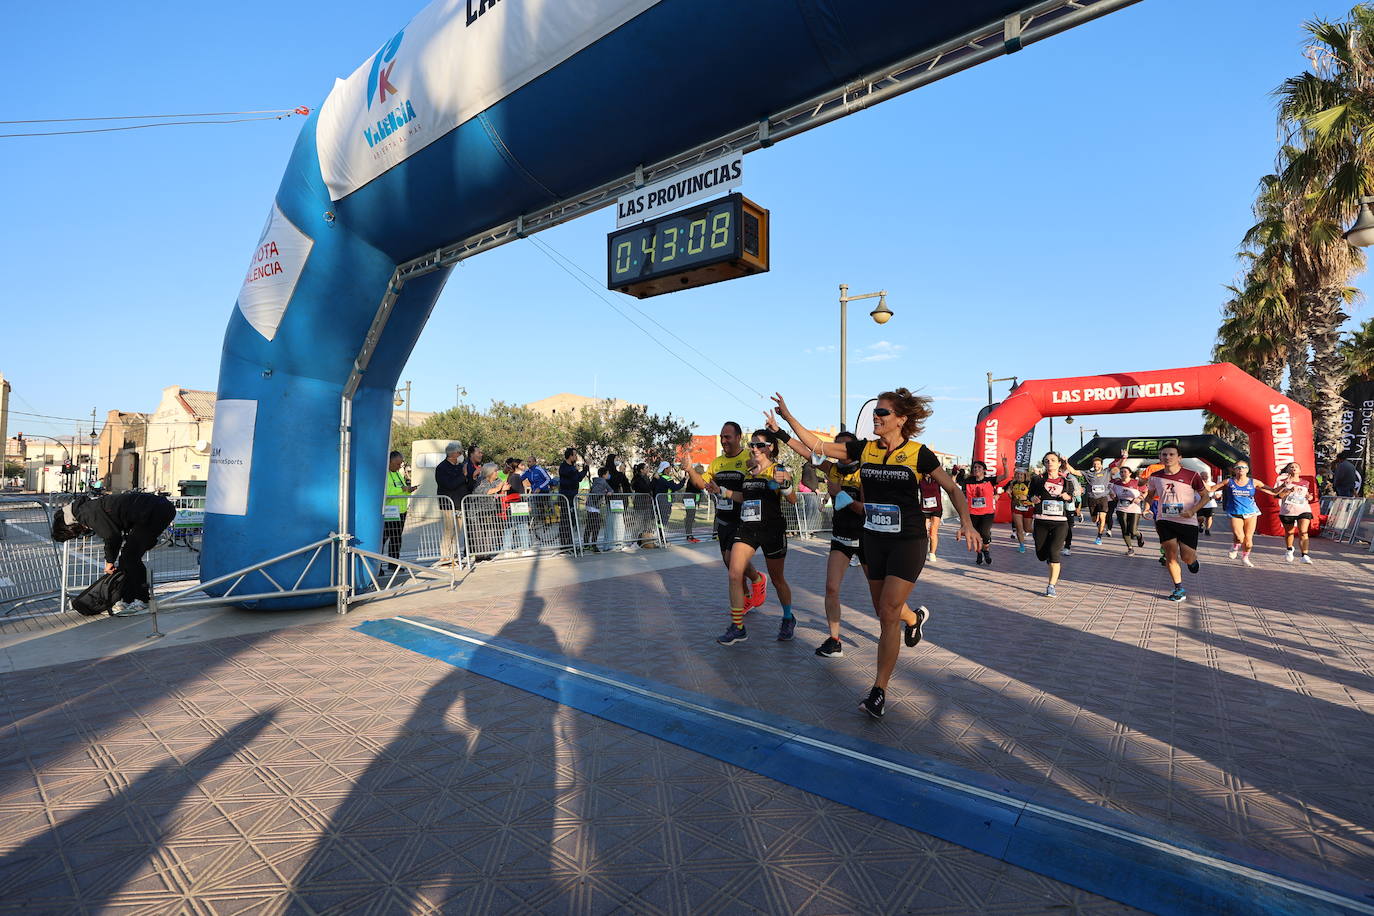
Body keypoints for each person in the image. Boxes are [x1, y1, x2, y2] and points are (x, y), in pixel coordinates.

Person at [773, 389, 981, 720]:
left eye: (883, 413)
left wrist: (968, 524)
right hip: (874, 539)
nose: (877, 417)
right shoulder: (865, 450)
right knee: (885, 609)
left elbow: (953, 488)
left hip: (908, 541)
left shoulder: (918, 454)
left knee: (886, 612)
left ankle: (879, 690)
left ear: (901, 419)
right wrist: (788, 417)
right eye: (875, 412)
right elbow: (817, 446)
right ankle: (914, 619)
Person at [769, 423, 925, 658]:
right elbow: (804, 451)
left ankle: (913, 619)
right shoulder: (831, 470)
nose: (837, 452)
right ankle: (834, 640)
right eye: (835, 447)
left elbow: (869, 511)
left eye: (843, 448)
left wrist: (842, 496)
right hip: (841, 537)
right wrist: (779, 432)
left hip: (868, 539)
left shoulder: (866, 472)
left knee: (882, 603)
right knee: (831, 588)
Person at [707, 429, 798, 645]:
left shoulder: (778, 470)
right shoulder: (750, 471)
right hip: (747, 528)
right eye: (752, 445)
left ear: (771, 448)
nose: (755, 448)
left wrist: (784, 485)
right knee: (734, 572)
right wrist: (723, 491)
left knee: (777, 579)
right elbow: (743, 496)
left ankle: (788, 617)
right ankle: (737, 627)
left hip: (772, 530)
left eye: (760, 445)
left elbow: (793, 499)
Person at [684, 422, 767, 616]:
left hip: (743, 519)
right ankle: (747, 595)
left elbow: (757, 484)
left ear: (738, 437)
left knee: (734, 563)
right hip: (722, 519)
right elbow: (702, 484)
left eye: (727, 437)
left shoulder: (748, 458)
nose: (723, 441)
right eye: (721, 437)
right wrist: (690, 470)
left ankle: (756, 580)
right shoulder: (717, 462)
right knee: (729, 563)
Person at [52, 491, 176, 615]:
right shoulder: (85, 509)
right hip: (154, 510)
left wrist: (109, 561)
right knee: (126, 559)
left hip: (155, 511)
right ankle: (128, 598)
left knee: (129, 558)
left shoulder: (87, 514)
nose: (79, 535)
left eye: (73, 535)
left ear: (68, 527)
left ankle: (142, 599)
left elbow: (112, 537)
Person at [1145, 445, 1206, 601]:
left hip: (1187, 521)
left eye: (1171, 454)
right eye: (1164, 454)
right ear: (1160, 457)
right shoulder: (1155, 476)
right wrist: (1146, 508)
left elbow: (1205, 497)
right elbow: (1150, 495)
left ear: (1179, 457)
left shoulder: (1192, 475)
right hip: (1164, 520)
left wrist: (1192, 511)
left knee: (1186, 557)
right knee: (1170, 555)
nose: (1167, 457)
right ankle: (1178, 589)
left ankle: (1192, 561)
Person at [1205, 461, 1271, 567]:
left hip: (1251, 512)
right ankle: (1235, 546)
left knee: (1248, 540)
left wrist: (1285, 488)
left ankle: (1245, 557)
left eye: (1243, 467)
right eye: (1238, 467)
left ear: (1247, 470)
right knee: (1240, 537)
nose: (1241, 469)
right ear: (1234, 470)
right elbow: (1210, 489)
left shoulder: (1254, 482)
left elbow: (1273, 491)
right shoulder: (1229, 482)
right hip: (1235, 512)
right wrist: (1196, 478)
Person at [1029, 451, 1074, 597]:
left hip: (1060, 523)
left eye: (1053, 460)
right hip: (1041, 521)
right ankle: (1048, 557)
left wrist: (1068, 497)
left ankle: (1051, 586)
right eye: (1047, 460)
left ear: (1059, 463)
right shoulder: (1037, 480)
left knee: (1054, 553)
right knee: (1041, 555)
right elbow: (1030, 495)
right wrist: (1033, 499)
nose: (1050, 463)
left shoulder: (1066, 481)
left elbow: (1071, 498)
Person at [434, 442, 470, 564]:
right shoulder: (442, 468)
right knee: (449, 530)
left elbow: (465, 484)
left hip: (460, 503)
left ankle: (453, 555)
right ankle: (444, 556)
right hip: (448, 504)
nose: (461, 455)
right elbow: (449, 484)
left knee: (457, 531)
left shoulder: (460, 466)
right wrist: (463, 475)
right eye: (459, 453)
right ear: (452, 454)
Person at [383, 451, 417, 575]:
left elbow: (402, 489)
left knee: (396, 539)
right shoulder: (385, 474)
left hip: (401, 511)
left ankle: (394, 564)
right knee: (383, 539)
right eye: (397, 463)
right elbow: (388, 491)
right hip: (389, 513)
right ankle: (378, 565)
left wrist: (409, 489)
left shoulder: (398, 474)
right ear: (390, 461)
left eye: (400, 463)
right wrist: (403, 489)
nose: (399, 466)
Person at [1275, 461, 1316, 564]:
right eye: (1291, 467)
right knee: (1289, 532)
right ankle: (1289, 549)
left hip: (1303, 509)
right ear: (1287, 470)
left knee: (1303, 532)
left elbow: (1309, 496)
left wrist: (1309, 497)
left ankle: (1305, 555)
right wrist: (1288, 490)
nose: (1294, 468)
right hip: (1288, 511)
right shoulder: (1283, 482)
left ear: (1300, 470)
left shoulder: (1305, 482)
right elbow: (1277, 496)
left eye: (1296, 467)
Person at [961, 460, 998, 565]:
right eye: (974, 467)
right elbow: (954, 484)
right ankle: (979, 553)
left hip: (987, 513)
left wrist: (1005, 465)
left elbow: (1005, 477)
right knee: (975, 535)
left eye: (979, 467)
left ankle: (986, 550)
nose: (976, 469)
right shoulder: (968, 481)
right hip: (972, 513)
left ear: (984, 470)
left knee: (985, 533)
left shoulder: (989, 480)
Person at [1080, 455, 1119, 545]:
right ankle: (1097, 521)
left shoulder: (1106, 472)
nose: (1096, 465)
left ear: (1101, 465)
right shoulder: (1089, 473)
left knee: (1103, 518)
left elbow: (1117, 467)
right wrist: (1066, 463)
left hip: (1103, 498)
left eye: (1098, 464)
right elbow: (1074, 471)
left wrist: (1124, 458)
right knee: (1094, 519)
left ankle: (1099, 537)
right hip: (1092, 499)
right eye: (1094, 464)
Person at [1110, 466, 1145, 556]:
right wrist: (1113, 496)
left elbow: (1145, 491)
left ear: (1130, 473)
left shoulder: (1136, 482)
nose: (1122, 473)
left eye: (1125, 472)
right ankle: (1130, 548)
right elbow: (1112, 493)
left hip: (1134, 508)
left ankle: (1139, 535)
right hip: (1121, 508)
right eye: (1121, 472)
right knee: (1124, 529)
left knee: (1133, 531)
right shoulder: (1116, 483)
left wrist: (1140, 498)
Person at [584, 466, 611, 552]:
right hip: (593, 506)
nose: (608, 475)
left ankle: (587, 544)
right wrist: (606, 492)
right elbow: (596, 492)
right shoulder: (602, 482)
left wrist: (608, 491)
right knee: (595, 526)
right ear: (604, 475)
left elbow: (610, 489)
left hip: (592, 506)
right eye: (607, 473)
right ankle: (593, 545)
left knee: (590, 525)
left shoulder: (599, 481)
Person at [1008, 468, 1034, 553]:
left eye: (1021, 474)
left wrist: (1027, 497)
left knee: (1027, 529)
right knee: (1019, 528)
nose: (1019, 476)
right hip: (1017, 507)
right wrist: (1009, 493)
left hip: (1028, 508)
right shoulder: (1013, 483)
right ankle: (1022, 546)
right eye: (1017, 474)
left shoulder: (1029, 483)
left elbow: (1034, 494)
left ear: (1025, 475)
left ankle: (1039, 534)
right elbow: (1010, 493)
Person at [920, 473, 943, 563]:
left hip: (936, 509)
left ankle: (932, 553)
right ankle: (922, 552)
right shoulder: (920, 479)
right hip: (924, 509)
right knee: (924, 532)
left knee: (933, 532)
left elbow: (950, 483)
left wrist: (954, 474)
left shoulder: (937, 479)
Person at [683, 465, 705, 543]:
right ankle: (689, 535)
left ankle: (689, 534)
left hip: (692, 498)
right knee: (690, 516)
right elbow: (699, 486)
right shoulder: (693, 478)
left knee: (691, 517)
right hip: (689, 498)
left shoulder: (697, 477)